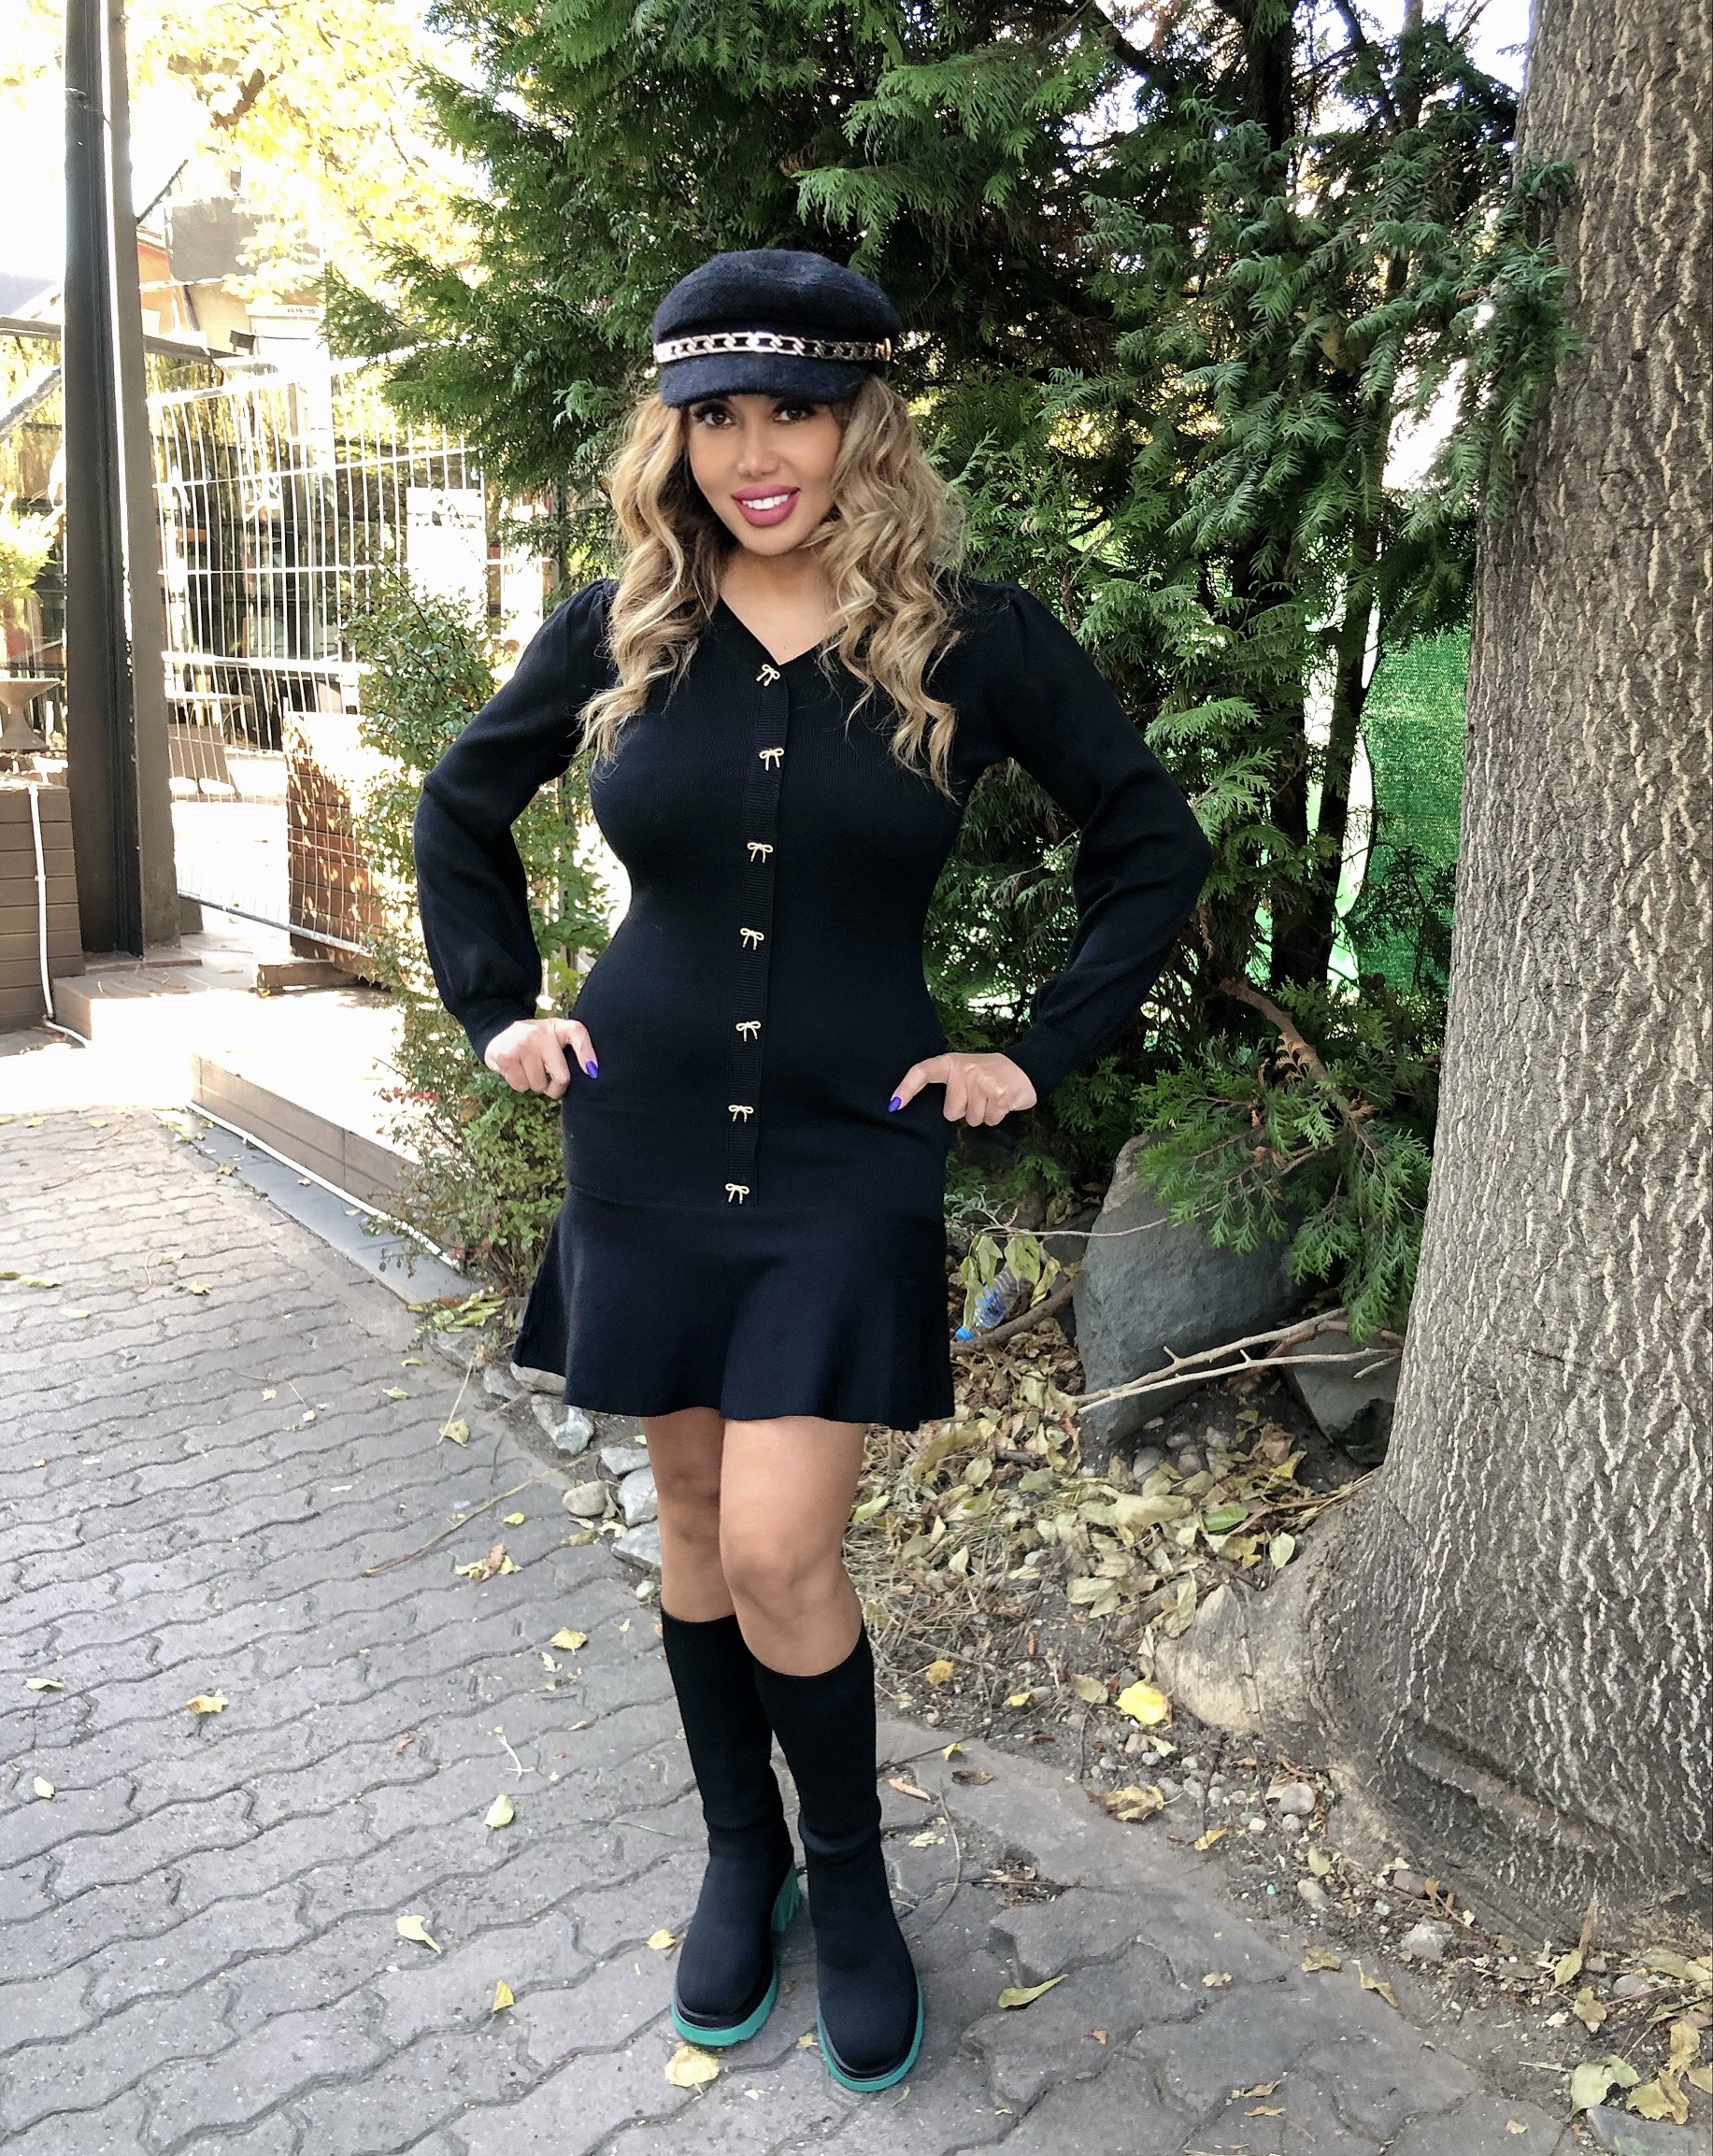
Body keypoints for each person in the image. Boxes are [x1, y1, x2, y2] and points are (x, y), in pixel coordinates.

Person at [411, 247, 1213, 2094]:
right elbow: (462, 805)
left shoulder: (972, 636)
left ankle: (848, 1882)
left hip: (850, 1152)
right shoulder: (623, 625)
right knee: (694, 1527)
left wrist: (1034, 1048)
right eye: (718, 417)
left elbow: (1146, 842)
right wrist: (497, 1008)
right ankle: (738, 1853)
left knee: (783, 1543)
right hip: (644, 1135)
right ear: (673, 437)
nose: (755, 453)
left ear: (866, 424)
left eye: (796, 411)